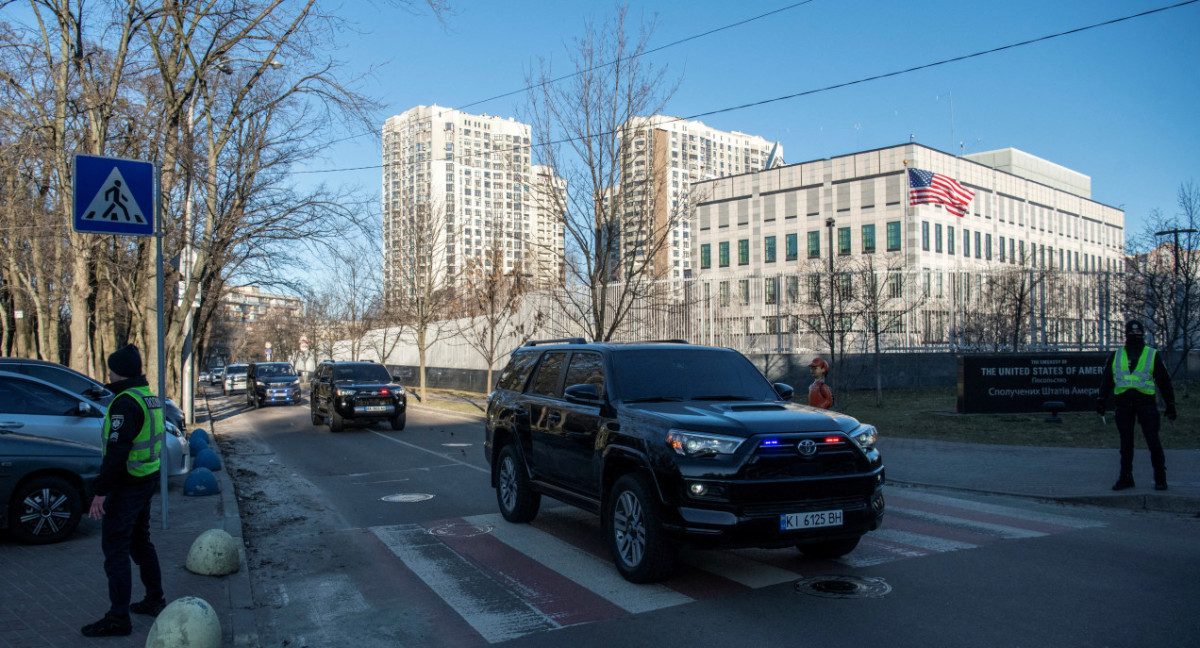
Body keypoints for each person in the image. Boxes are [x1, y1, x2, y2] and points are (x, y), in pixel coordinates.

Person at [81, 344, 167, 638]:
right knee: (140, 541)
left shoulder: (125, 403)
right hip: (146, 479)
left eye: (111, 370)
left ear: (119, 372)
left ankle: (118, 617)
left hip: (127, 484)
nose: (109, 374)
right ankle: (155, 599)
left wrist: (101, 491)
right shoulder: (149, 397)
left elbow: (118, 451)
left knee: (116, 548)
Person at [1097, 320, 1177, 492]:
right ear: (1126, 335)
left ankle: (1160, 478)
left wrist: (1170, 403)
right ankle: (1126, 477)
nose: (1135, 336)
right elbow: (1107, 380)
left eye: (1138, 333)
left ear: (1142, 334)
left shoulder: (1151, 354)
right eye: (1132, 333)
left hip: (1146, 405)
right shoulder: (1116, 355)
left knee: (1153, 441)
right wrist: (1101, 399)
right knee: (1126, 444)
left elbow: (1164, 381)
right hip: (1123, 406)